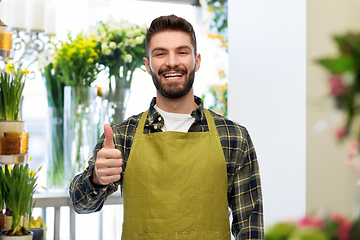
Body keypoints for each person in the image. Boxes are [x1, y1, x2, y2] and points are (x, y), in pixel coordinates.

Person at [69, 14, 264, 240]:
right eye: (160, 53)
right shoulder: (123, 136)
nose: (172, 62)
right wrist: (96, 178)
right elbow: (80, 204)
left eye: (182, 52)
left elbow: (250, 229)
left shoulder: (233, 137)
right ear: (148, 65)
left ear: (197, 61)